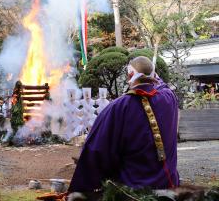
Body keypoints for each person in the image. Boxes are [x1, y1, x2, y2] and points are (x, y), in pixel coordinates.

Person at [69, 56, 179, 194]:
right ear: (153, 75)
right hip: (168, 184)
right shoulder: (168, 98)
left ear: (130, 75)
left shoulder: (119, 106)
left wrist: (83, 185)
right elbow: (163, 85)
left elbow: (98, 149)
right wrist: (151, 73)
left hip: (133, 189)